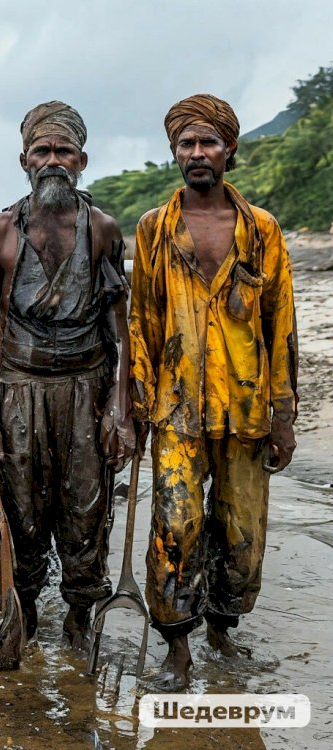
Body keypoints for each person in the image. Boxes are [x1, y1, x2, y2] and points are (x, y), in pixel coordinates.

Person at [128, 94, 298, 687]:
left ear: (229, 150)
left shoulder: (262, 229)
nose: (197, 153)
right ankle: (177, 645)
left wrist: (284, 414)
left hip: (248, 408)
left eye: (208, 143)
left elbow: (282, 324)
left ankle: (224, 629)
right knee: (175, 525)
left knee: (243, 533)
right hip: (176, 409)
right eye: (186, 144)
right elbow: (141, 322)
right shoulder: (154, 228)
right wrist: (138, 406)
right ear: (174, 152)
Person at [0, 101, 135, 647]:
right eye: (43, 151)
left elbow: (120, 329)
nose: (53, 161)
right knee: (20, 508)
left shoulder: (102, 228)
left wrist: (120, 406)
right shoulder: (0, 231)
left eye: (64, 151)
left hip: (85, 389)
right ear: (24, 160)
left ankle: (81, 616)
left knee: (87, 508)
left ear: (82, 159)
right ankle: (26, 612)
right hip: (19, 388)